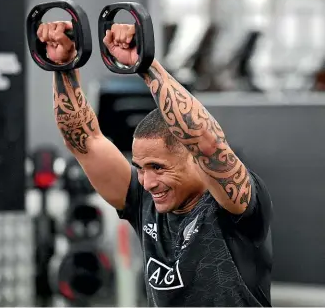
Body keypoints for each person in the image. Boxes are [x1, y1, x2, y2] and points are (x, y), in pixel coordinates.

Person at [37, 21, 273, 307]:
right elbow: (84, 141)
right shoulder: (143, 201)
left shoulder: (235, 206)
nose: (147, 182)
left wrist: (146, 65)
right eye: (141, 168)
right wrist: (63, 66)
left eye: (159, 168)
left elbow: (207, 141)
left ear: (193, 157)